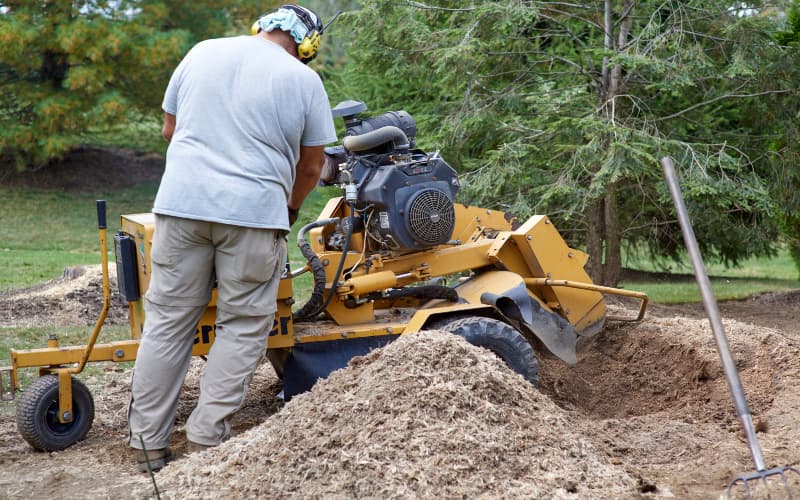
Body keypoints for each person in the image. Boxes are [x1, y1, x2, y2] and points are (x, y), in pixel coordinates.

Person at [127, 4, 337, 472]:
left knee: (167, 322)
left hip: (179, 209)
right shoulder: (305, 81)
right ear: (307, 48)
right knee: (242, 325)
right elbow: (310, 166)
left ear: (260, 27)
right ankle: (206, 444)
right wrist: (290, 207)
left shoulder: (201, 52)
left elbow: (169, 129)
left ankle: (146, 444)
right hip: (255, 215)